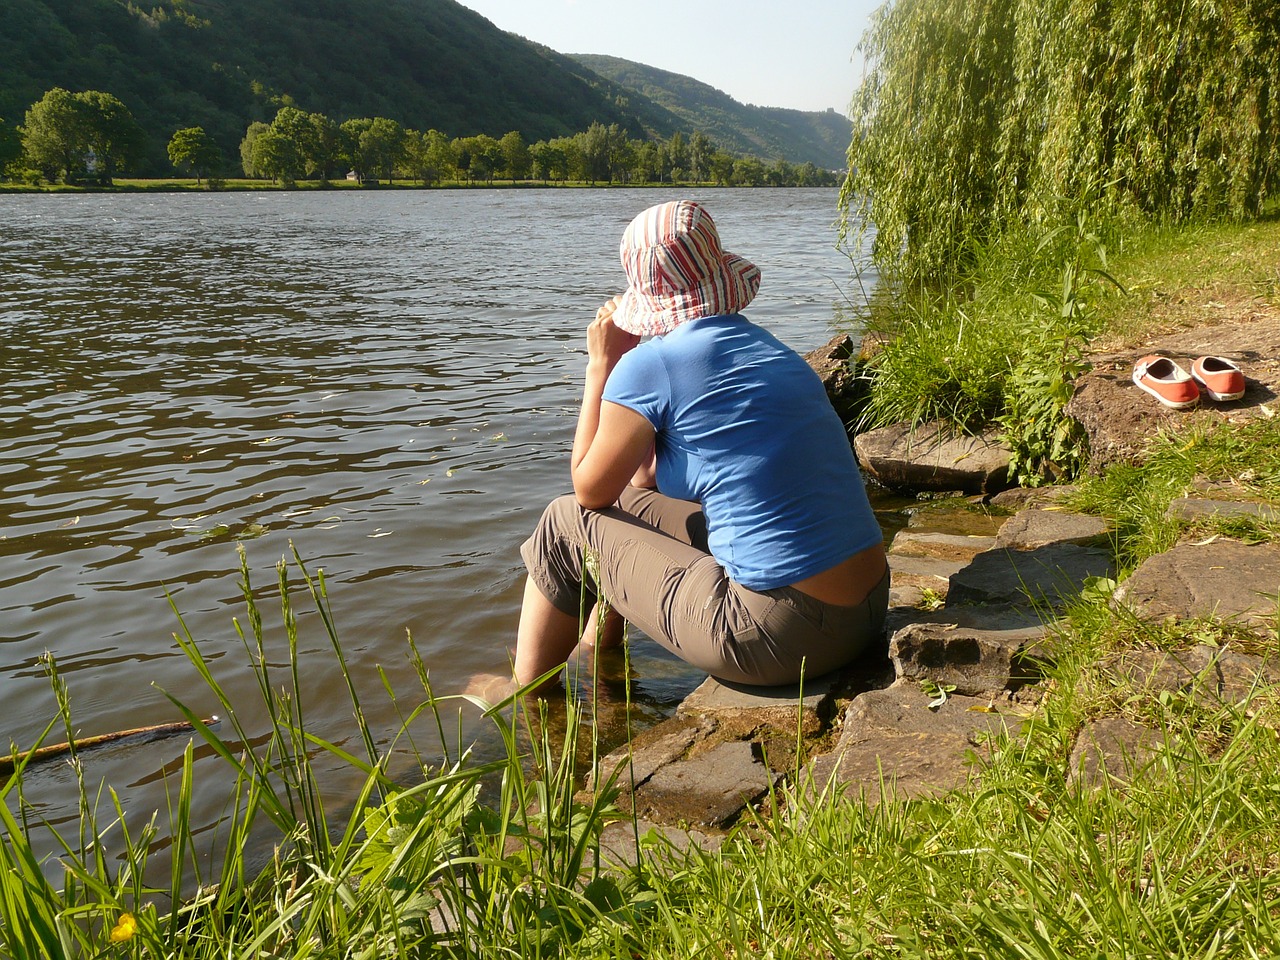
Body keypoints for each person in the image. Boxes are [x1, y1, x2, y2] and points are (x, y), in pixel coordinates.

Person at [514, 199, 888, 691]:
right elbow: (640, 486)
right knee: (631, 505)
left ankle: (525, 694)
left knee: (564, 524)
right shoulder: (768, 348)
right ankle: (595, 651)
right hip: (864, 613)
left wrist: (601, 366)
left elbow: (587, 492)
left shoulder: (652, 365)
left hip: (782, 638)